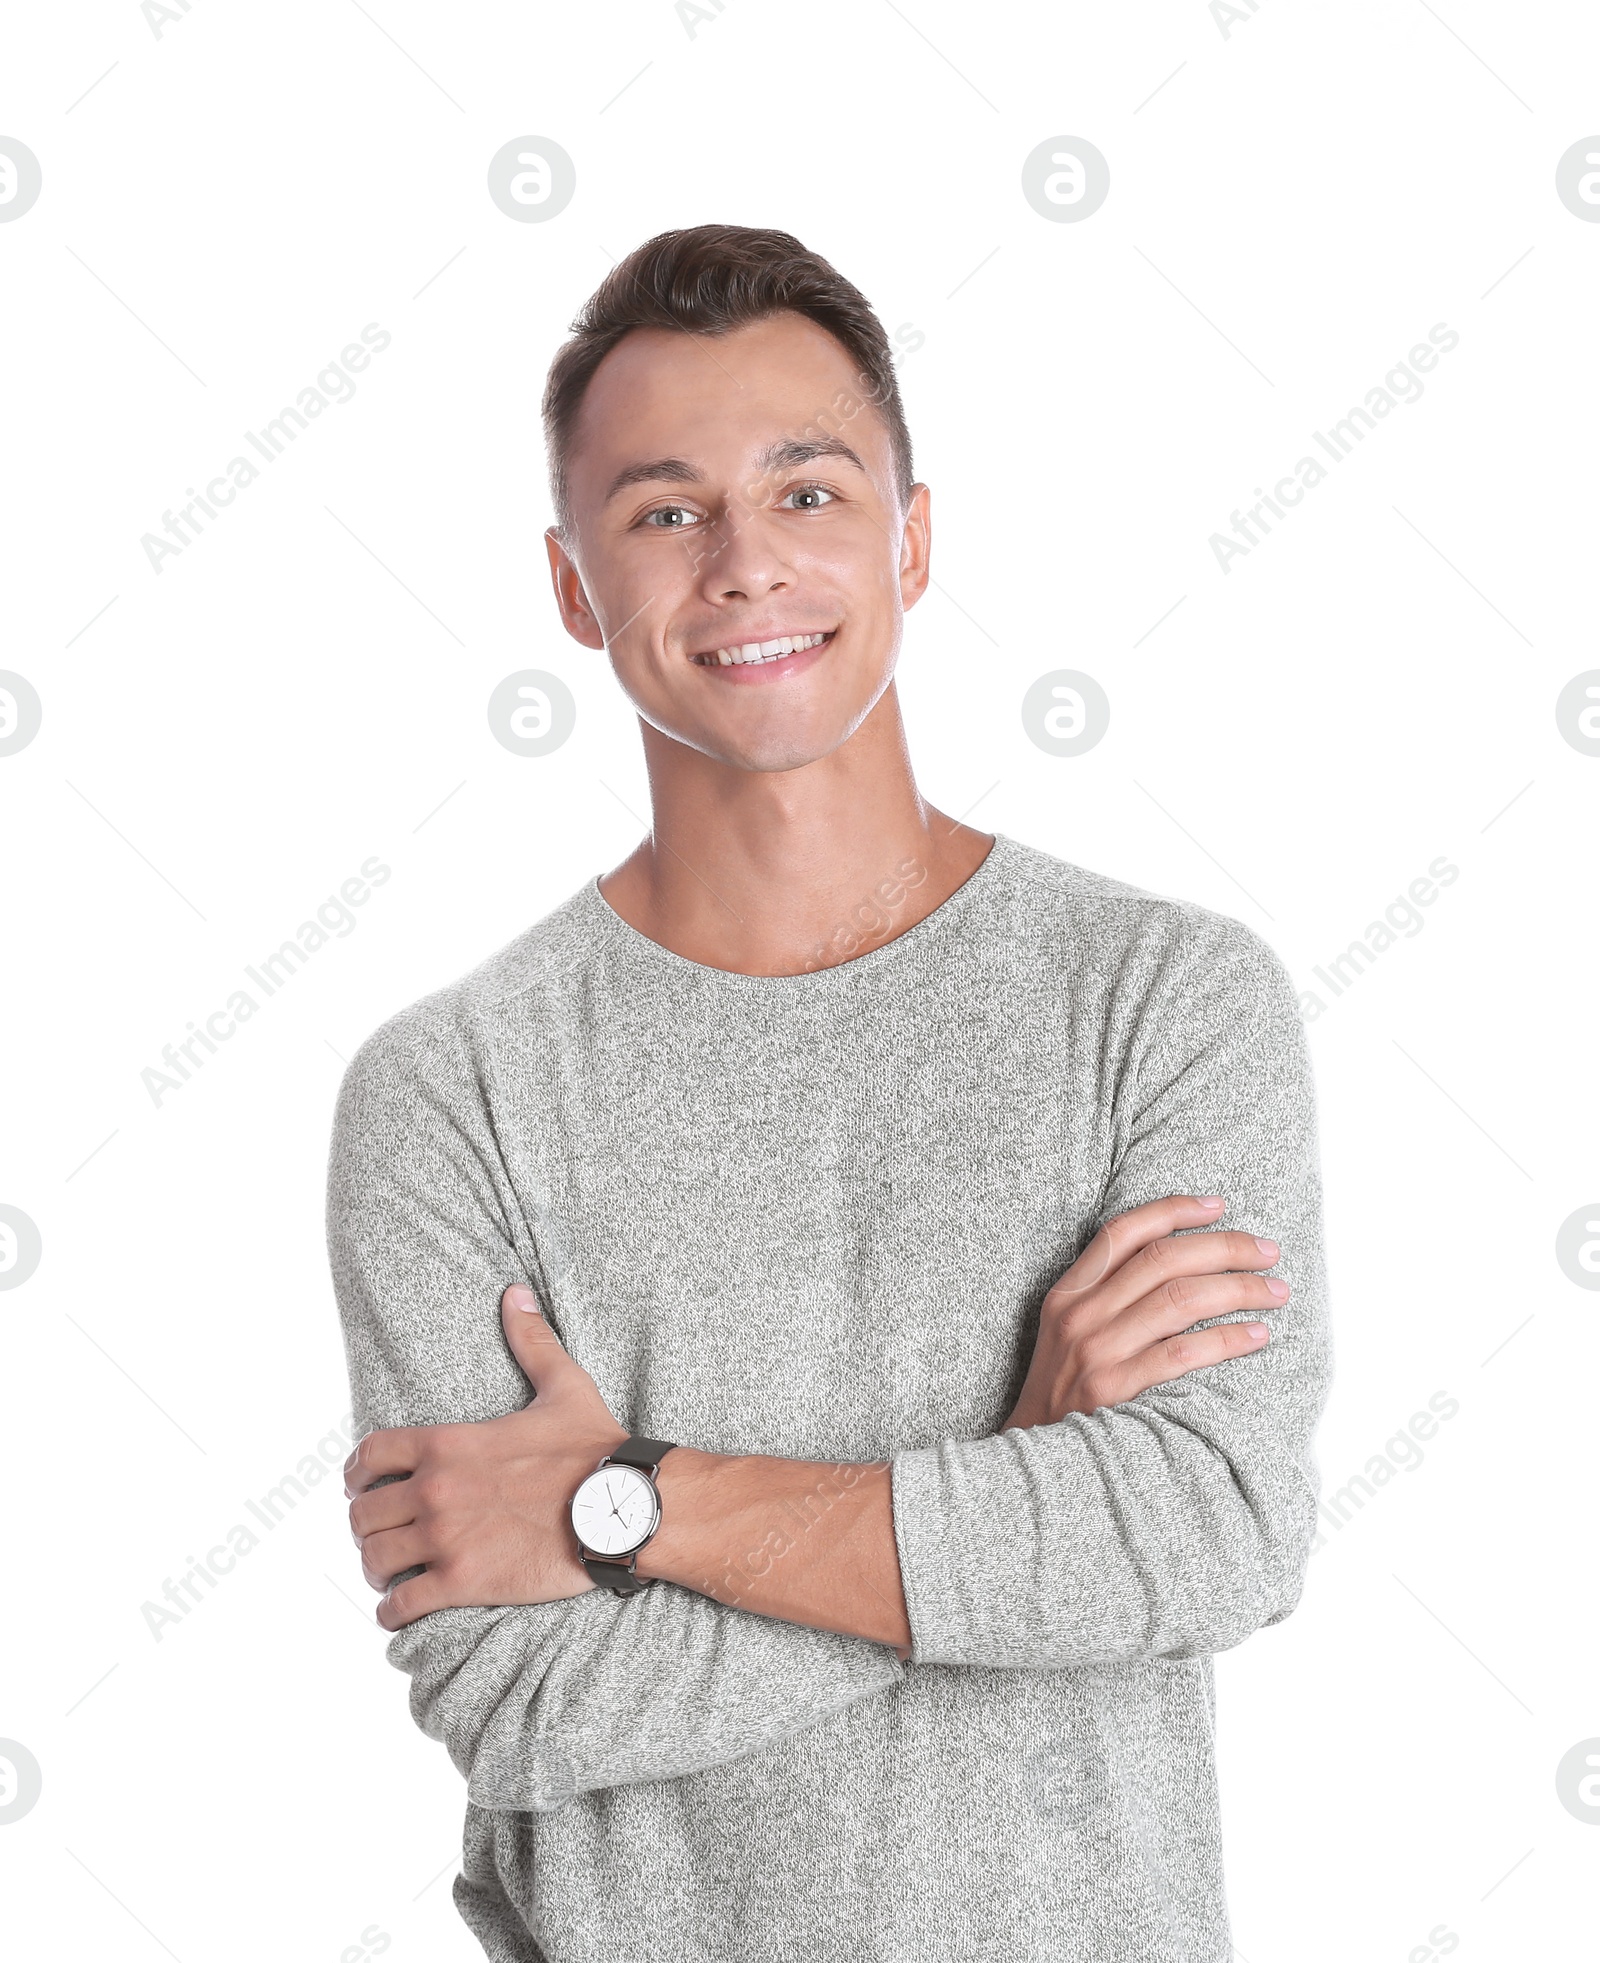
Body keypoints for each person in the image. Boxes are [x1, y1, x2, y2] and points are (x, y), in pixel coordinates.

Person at [327, 223, 1332, 1963]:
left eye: (806, 494)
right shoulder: (451, 1095)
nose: (742, 566)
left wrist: (617, 1508)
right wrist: (1013, 1483)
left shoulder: (1163, 999)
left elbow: (1206, 1534)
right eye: (663, 512)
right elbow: (517, 1697)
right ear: (574, 588)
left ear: (912, 540)